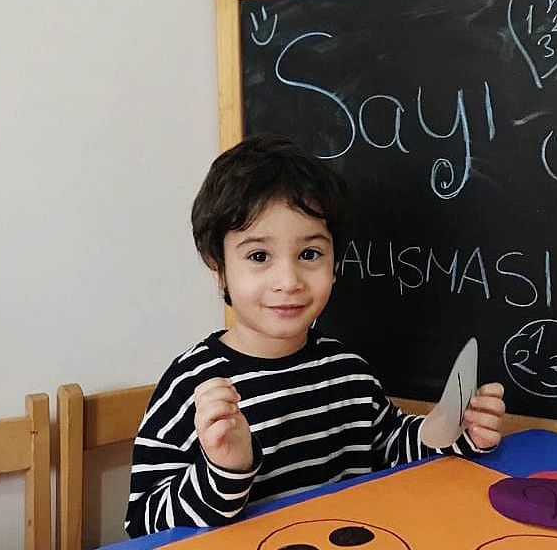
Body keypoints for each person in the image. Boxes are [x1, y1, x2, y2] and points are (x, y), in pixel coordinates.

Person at [125, 134, 506, 537]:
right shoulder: (194, 385)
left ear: (335, 262)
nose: (288, 281)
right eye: (258, 256)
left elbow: (389, 448)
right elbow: (142, 525)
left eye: (309, 254)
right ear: (218, 267)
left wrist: (451, 431)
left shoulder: (347, 371)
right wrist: (225, 471)